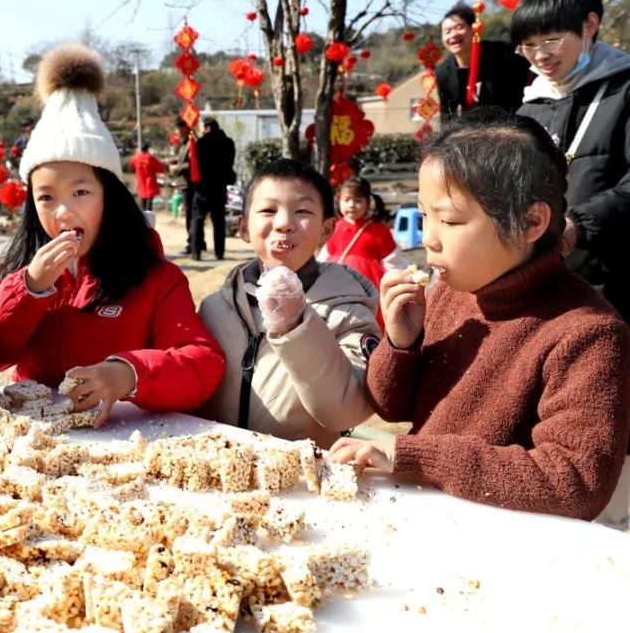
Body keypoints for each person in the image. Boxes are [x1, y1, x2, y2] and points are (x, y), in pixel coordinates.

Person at [329, 109, 630, 521]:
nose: (428, 239)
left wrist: (416, 455)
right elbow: (390, 406)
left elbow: (576, 481)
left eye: (450, 220)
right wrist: (401, 344)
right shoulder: (448, 293)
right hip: (428, 516)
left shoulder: (588, 332)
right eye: (423, 216)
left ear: (531, 221)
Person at [0, 44, 225, 424]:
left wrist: (128, 374)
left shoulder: (156, 278)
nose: (63, 211)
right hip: (37, 444)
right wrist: (30, 289)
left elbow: (202, 363)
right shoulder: (27, 275)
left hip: (124, 443)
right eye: (46, 197)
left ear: (111, 197)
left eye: (81, 192)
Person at [198, 159, 380, 447]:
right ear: (244, 228)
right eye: (269, 210)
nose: (284, 223)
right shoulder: (214, 309)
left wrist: (297, 326)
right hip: (218, 473)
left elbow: (347, 412)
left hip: (299, 482)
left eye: (303, 211)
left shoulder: (347, 313)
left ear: (327, 229)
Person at [511, 0, 630, 321]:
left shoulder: (623, 91)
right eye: (528, 46)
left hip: (616, 281)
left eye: (550, 39)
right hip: (547, 285)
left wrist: (578, 224)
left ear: (590, 24)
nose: (540, 56)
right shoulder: (529, 108)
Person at [321, 175, 404, 328]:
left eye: (357, 200)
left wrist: (397, 284)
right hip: (338, 284)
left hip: (369, 287)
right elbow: (325, 258)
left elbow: (393, 261)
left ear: (368, 202)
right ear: (338, 201)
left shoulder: (379, 231)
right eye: (346, 200)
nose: (351, 205)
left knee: (370, 322)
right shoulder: (334, 228)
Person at [435, 1, 531, 122]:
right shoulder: (443, 72)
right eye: (447, 31)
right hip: (476, 132)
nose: (453, 34)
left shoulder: (504, 53)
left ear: (473, 29)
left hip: (514, 122)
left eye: (459, 27)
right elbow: (447, 114)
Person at [189, 117, 236, 260]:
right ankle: (219, 252)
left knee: (198, 220)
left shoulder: (201, 143)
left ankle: (196, 252)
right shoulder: (228, 143)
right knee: (219, 221)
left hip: (203, 188)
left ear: (208, 127)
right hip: (220, 187)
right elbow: (230, 163)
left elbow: (195, 165)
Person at [168, 117, 200, 255]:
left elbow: (192, 164)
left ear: (185, 128)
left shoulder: (192, 142)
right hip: (183, 182)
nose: (177, 132)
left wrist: (177, 167)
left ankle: (192, 243)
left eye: (178, 129)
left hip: (190, 183)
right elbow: (181, 159)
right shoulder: (182, 143)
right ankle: (196, 242)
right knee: (189, 214)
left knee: (190, 214)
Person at [130, 142, 165, 210]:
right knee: (149, 203)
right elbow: (161, 168)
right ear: (147, 149)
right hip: (150, 183)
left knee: (143, 202)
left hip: (141, 183)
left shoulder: (136, 158)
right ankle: (148, 218)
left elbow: (131, 166)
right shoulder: (150, 157)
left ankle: (144, 217)